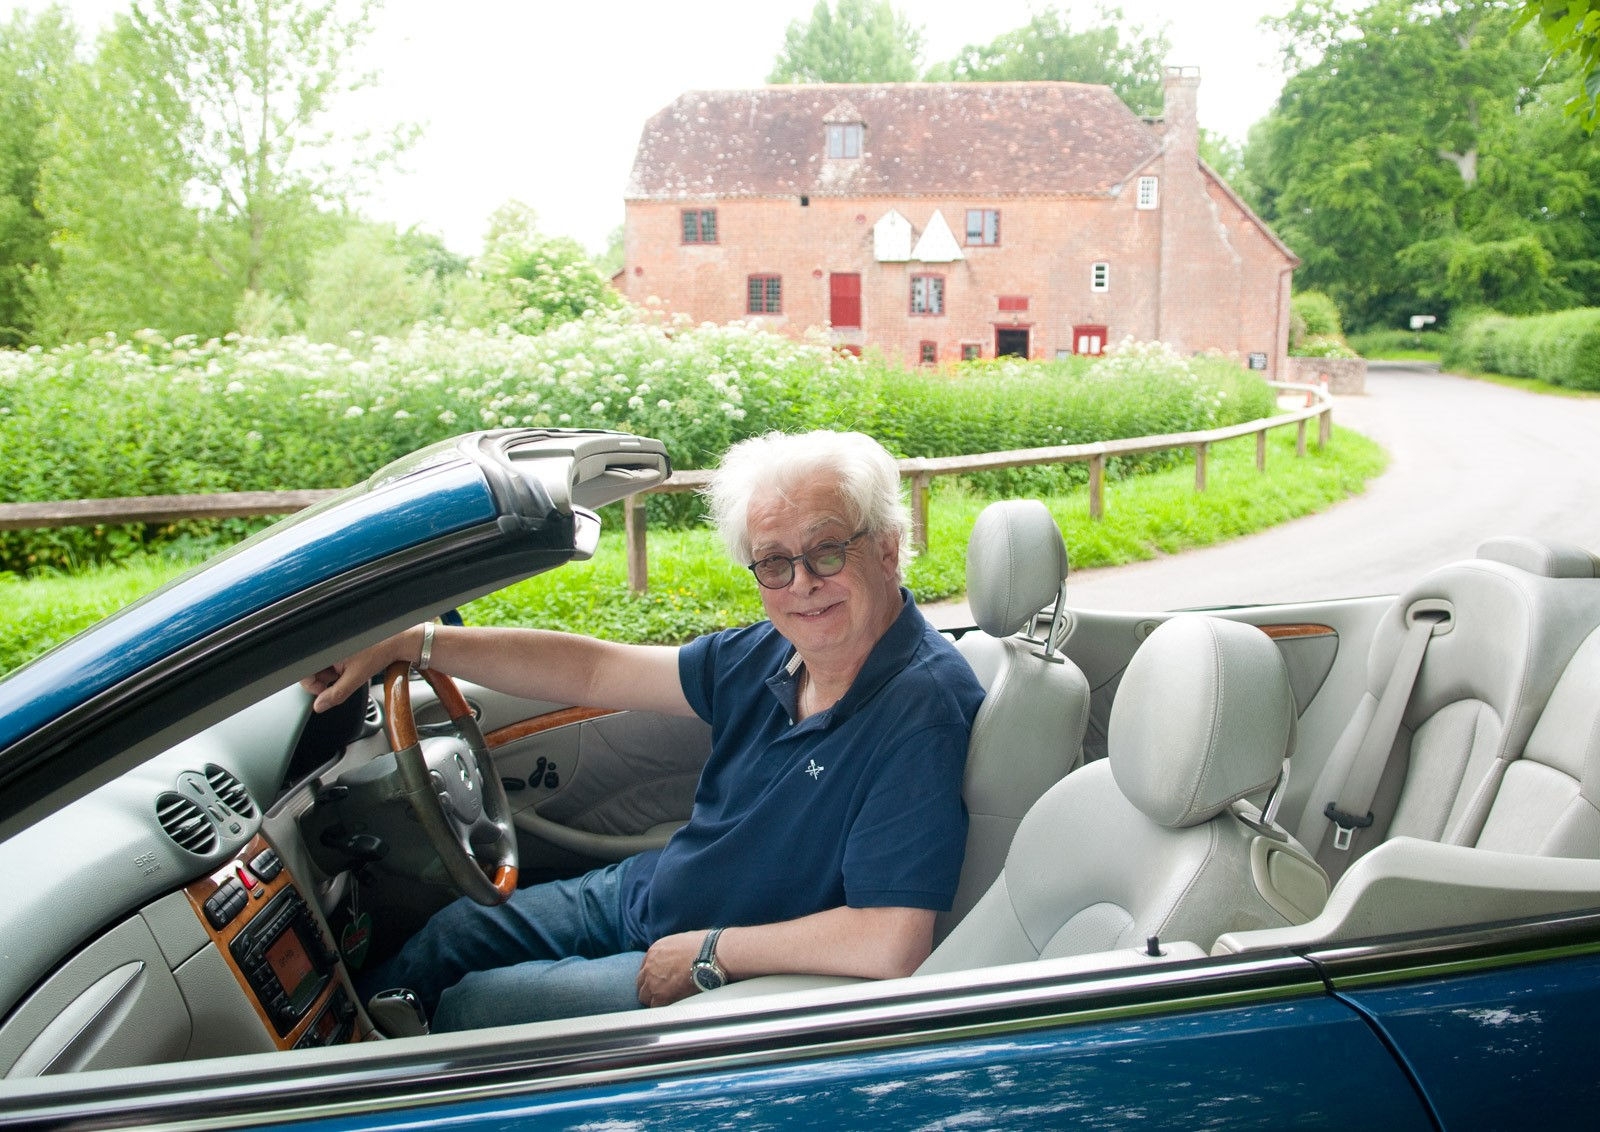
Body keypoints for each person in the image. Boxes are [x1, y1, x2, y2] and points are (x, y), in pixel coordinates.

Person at [302, 429, 985, 1031]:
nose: (801, 582)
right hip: (648, 894)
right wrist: (416, 643)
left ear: (890, 549)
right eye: (774, 561)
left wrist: (711, 954)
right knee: (450, 933)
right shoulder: (770, 652)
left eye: (827, 550)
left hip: (721, 963)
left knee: (471, 1009)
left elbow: (891, 940)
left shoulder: (921, 705)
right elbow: (594, 672)